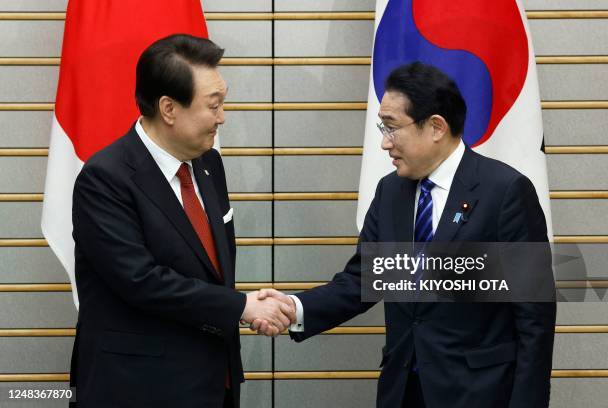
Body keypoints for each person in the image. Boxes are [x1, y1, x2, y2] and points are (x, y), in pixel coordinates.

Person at [254, 62, 556, 408]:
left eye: (392, 128)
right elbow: (364, 280)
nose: (384, 143)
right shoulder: (390, 193)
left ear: (436, 127)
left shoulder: (504, 191)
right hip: (403, 392)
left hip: (479, 393)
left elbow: (535, 319)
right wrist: (294, 307)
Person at [69, 34, 294, 408]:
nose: (223, 116)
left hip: (211, 382)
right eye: (214, 105)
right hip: (137, 389)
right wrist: (241, 306)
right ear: (169, 109)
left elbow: (208, 269)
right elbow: (141, 280)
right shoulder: (105, 178)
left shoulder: (208, 164)